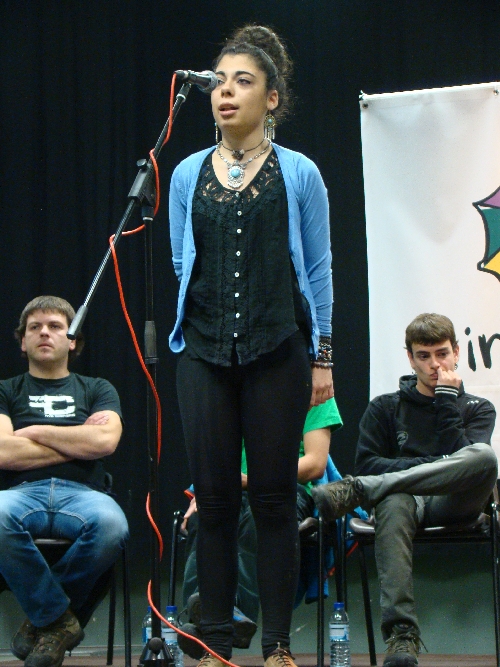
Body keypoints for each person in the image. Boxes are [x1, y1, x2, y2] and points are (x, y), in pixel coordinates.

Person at [168, 24, 334, 667]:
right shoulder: (186, 173)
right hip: (204, 353)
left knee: (271, 499)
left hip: (278, 349)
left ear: (272, 98)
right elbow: (183, 263)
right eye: (219, 82)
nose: (225, 92)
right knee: (213, 502)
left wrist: (322, 356)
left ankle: (277, 646)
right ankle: (214, 645)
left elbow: (317, 269)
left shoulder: (300, 173)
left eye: (243, 81)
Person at [311, 313, 498, 667]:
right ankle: (401, 637)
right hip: (404, 502)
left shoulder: (478, 408)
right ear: (410, 358)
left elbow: (468, 466)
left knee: (485, 457)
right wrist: (433, 465)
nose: (434, 365)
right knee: (394, 500)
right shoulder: (385, 407)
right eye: (423, 356)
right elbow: (368, 465)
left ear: (456, 353)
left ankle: (358, 491)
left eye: (442, 354)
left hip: (454, 504)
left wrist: (446, 399)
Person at [0, 296, 129, 667]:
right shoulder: (5, 391)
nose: (45, 333)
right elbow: (3, 452)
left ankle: (43, 620)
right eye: (35, 327)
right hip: (21, 493)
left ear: (73, 341)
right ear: (22, 341)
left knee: (112, 526)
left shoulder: (97, 389)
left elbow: (105, 442)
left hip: (84, 494)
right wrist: (77, 442)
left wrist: (32, 431)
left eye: (55, 326)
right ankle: (58, 621)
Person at [178, 397, 343, 659]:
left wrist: (253, 480)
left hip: (286, 489)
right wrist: (207, 489)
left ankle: (212, 623)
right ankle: (210, 619)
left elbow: (315, 464)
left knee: (260, 518)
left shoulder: (315, 392)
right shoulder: (231, 391)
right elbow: (214, 457)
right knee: (204, 516)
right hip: (231, 488)